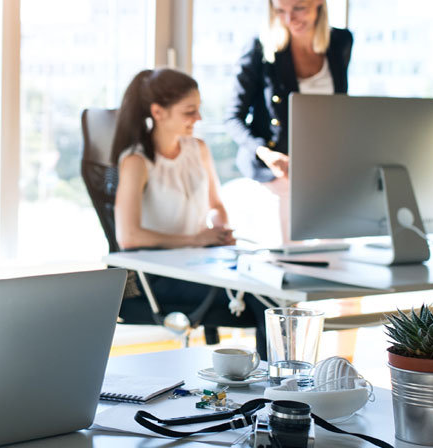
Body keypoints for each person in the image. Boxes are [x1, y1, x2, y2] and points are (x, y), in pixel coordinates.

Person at [111, 68, 269, 357]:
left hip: (201, 263)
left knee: (271, 286)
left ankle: (282, 385)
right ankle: (281, 388)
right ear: (158, 112)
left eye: (198, 109)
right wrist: (195, 240)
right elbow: (128, 236)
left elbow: (216, 205)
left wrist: (221, 230)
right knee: (265, 298)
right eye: (189, 111)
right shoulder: (137, 161)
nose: (198, 118)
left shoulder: (198, 149)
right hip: (159, 274)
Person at [226, 0, 353, 243]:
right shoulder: (261, 48)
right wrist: (265, 153)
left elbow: (339, 107)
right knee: (292, 241)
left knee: (335, 242)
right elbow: (233, 118)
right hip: (274, 162)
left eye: (298, 8)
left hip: (322, 162)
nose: (289, 19)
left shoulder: (340, 42)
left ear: (319, 4)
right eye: (280, 11)